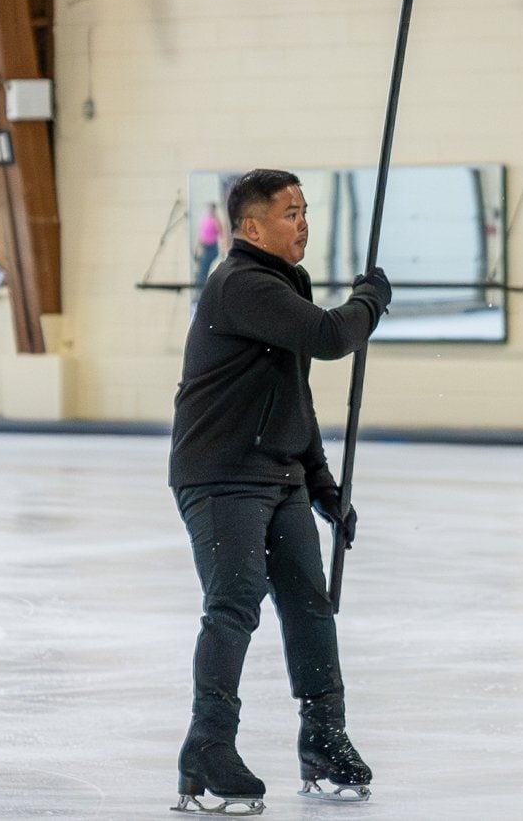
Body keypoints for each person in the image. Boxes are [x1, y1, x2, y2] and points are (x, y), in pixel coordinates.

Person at [168, 169, 392, 813]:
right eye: (290, 213)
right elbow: (330, 338)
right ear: (251, 227)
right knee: (235, 603)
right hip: (221, 475)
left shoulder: (280, 284)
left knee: (310, 606)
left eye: (304, 210)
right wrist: (371, 301)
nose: (304, 224)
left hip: (280, 476)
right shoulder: (240, 284)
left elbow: (294, 395)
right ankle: (208, 749)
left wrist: (323, 486)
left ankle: (325, 740)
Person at [193, 202, 229, 290]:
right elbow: (201, 236)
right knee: (202, 271)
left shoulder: (216, 221)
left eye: (212, 209)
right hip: (205, 247)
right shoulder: (204, 220)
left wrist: (224, 250)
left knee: (205, 270)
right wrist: (197, 249)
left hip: (212, 248)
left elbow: (222, 235)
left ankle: (203, 289)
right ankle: (200, 290)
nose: (210, 211)